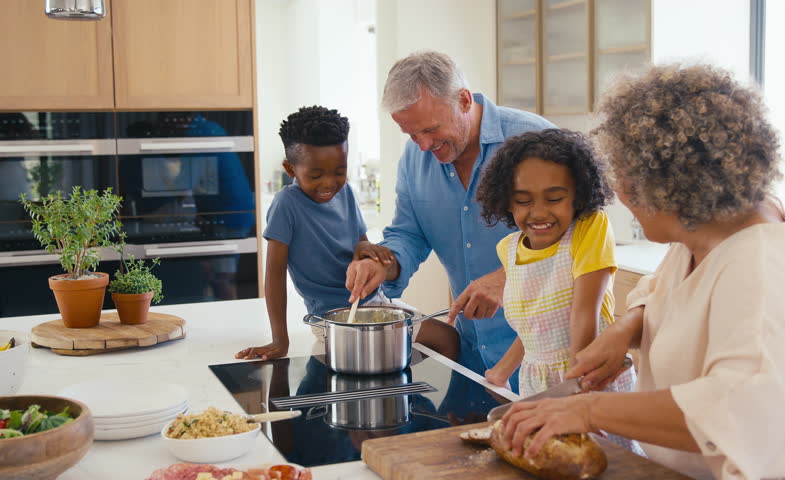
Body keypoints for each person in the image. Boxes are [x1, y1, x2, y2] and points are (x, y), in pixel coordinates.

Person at [499, 64, 785, 479]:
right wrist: (624, 330)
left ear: (671, 183)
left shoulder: (760, 266)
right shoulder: (706, 233)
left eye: (628, 180)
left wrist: (586, 409)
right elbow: (664, 296)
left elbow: (736, 407)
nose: (622, 195)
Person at [345, 51, 555, 388]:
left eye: (430, 129)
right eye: (412, 135)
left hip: (546, 361)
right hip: (472, 360)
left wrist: (507, 276)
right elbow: (408, 235)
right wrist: (383, 265)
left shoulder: (535, 141)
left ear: (464, 100)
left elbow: (583, 236)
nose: (424, 145)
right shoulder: (415, 159)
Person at [235, 106, 457, 360]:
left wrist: (365, 250)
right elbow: (274, 274)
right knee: (444, 341)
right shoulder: (287, 204)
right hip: (334, 319)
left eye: (339, 172)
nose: (329, 183)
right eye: (316, 175)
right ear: (290, 169)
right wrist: (279, 340)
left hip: (374, 303)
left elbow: (359, 246)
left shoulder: (346, 192)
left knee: (447, 340)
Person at [476, 128, 639, 453]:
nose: (537, 212)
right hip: (537, 384)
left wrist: (574, 391)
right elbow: (538, 325)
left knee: (612, 465)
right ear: (506, 201)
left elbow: (583, 312)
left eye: (554, 198)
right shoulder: (509, 250)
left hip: (592, 380)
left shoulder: (590, 229)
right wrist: (503, 369)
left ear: (577, 195)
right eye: (523, 201)